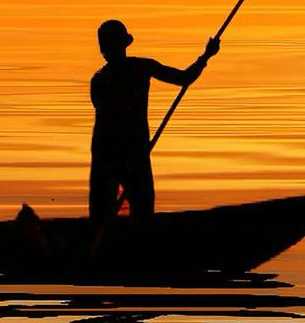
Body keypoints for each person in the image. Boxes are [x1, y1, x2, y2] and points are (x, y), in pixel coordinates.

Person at [89, 18, 214, 219]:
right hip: (121, 153)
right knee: (126, 212)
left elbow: (183, 79)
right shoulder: (132, 70)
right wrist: (206, 56)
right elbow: (184, 78)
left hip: (115, 151)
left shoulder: (102, 79)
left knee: (112, 214)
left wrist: (206, 55)